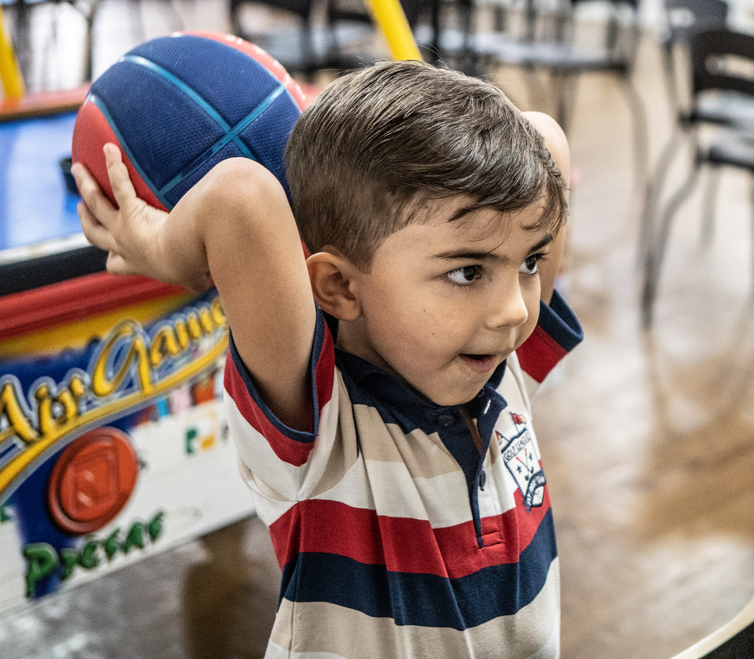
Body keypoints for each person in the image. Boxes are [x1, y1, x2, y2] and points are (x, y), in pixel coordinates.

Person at [71, 61, 583, 659]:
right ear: (338, 287)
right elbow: (241, 197)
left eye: (528, 263)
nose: (517, 311)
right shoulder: (325, 432)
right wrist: (163, 249)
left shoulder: (501, 371)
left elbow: (544, 136)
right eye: (466, 272)